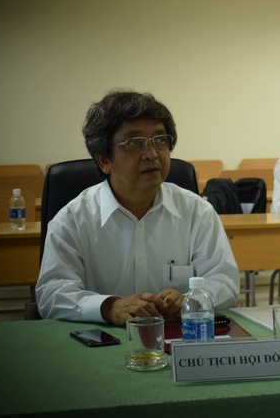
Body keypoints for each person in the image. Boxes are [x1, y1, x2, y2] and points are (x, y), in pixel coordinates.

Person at [36, 90, 240, 325]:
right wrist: (109, 307)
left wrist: (191, 301)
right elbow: (52, 294)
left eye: (160, 140)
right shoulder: (72, 220)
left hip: (178, 339)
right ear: (104, 160)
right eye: (134, 143)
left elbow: (225, 281)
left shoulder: (197, 212)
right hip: (103, 339)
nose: (151, 154)